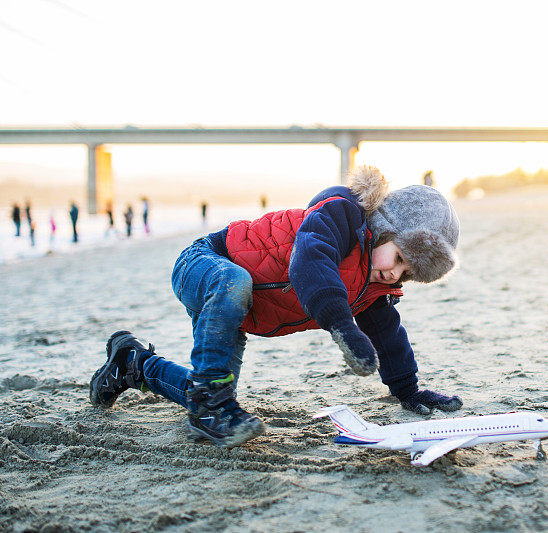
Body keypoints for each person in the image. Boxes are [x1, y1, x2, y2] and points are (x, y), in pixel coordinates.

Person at [89, 166, 462, 448]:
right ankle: (207, 406)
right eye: (397, 256)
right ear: (385, 226)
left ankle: (132, 364)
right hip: (206, 264)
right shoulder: (340, 217)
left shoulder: (375, 287)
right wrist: (343, 326)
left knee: (213, 389)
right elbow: (310, 262)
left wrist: (408, 390)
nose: (393, 272)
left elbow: (388, 335)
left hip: (240, 309)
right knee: (233, 288)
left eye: (406, 271)